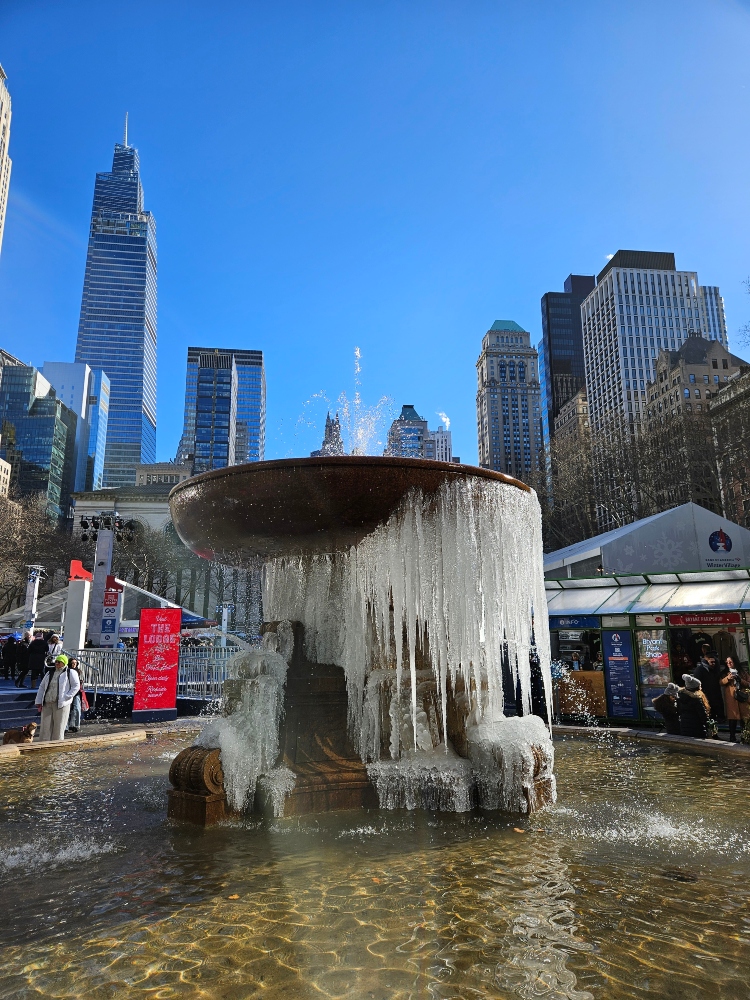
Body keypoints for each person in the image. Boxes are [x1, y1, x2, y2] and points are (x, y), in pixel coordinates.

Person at [35, 654, 80, 742]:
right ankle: (43, 745)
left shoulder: (70, 672)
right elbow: (42, 687)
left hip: (61, 704)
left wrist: (66, 697)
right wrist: (39, 700)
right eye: (56, 662)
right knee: (45, 726)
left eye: (59, 662)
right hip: (47, 702)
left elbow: (76, 686)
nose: (56, 663)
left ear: (64, 663)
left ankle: (57, 745)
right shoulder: (49, 672)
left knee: (59, 726)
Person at [720, 656, 750, 743]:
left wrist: (740, 680)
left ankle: (745, 736)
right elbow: (721, 682)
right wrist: (728, 678)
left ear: (735, 662)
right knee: (732, 718)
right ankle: (732, 737)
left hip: (742, 697)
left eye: (730, 662)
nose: (728, 664)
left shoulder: (743, 672)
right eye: (727, 662)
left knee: (744, 719)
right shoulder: (725, 672)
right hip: (731, 698)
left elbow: (748, 684)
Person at [693, 654, 725, 724]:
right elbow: (697, 682)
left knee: (717, 705)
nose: (713, 664)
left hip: (715, 692)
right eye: (711, 662)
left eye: (714, 662)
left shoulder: (715, 668)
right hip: (706, 692)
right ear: (706, 661)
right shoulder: (700, 670)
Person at [678, 674, 710, 739]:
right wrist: (709, 726)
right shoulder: (696, 700)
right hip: (697, 728)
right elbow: (703, 716)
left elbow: (679, 711)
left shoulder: (679, 697)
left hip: (684, 727)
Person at [66, 657, 83, 733]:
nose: (74, 664)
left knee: (76, 708)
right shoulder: (66, 671)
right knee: (67, 709)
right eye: (72, 663)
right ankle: (65, 726)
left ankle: (74, 725)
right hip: (67, 692)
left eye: (75, 663)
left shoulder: (78, 671)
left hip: (76, 693)